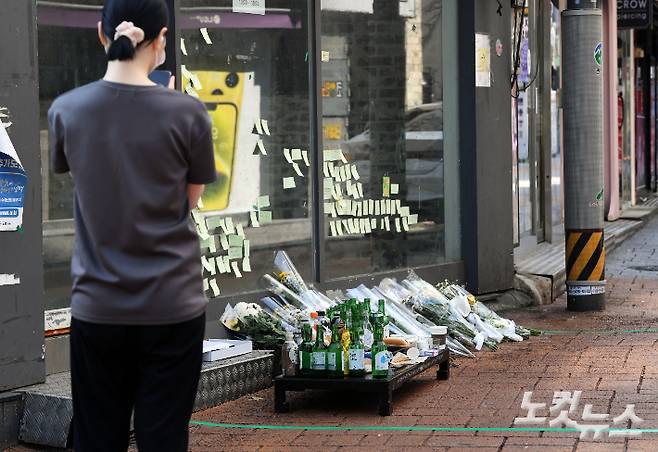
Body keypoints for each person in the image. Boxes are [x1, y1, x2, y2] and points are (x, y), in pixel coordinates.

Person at [47, 0, 215, 450]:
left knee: (97, 437)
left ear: (102, 36)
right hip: (172, 303)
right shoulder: (188, 114)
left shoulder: (67, 109)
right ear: (160, 42)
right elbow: (187, 201)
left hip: (99, 304)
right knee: (164, 438)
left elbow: (81, 175)